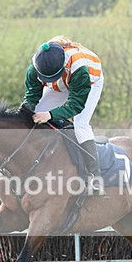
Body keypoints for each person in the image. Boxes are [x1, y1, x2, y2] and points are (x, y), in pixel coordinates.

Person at [22, 36, 104, 192]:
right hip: (61, 84)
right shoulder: (35, 66)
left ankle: (95, 176)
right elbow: (31, 96)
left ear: (63, 66)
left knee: (80, 125)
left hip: (90, 82)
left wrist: (51, 115)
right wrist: (24, 114)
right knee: (35, 114)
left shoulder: (78, 67)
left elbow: (75, 105)